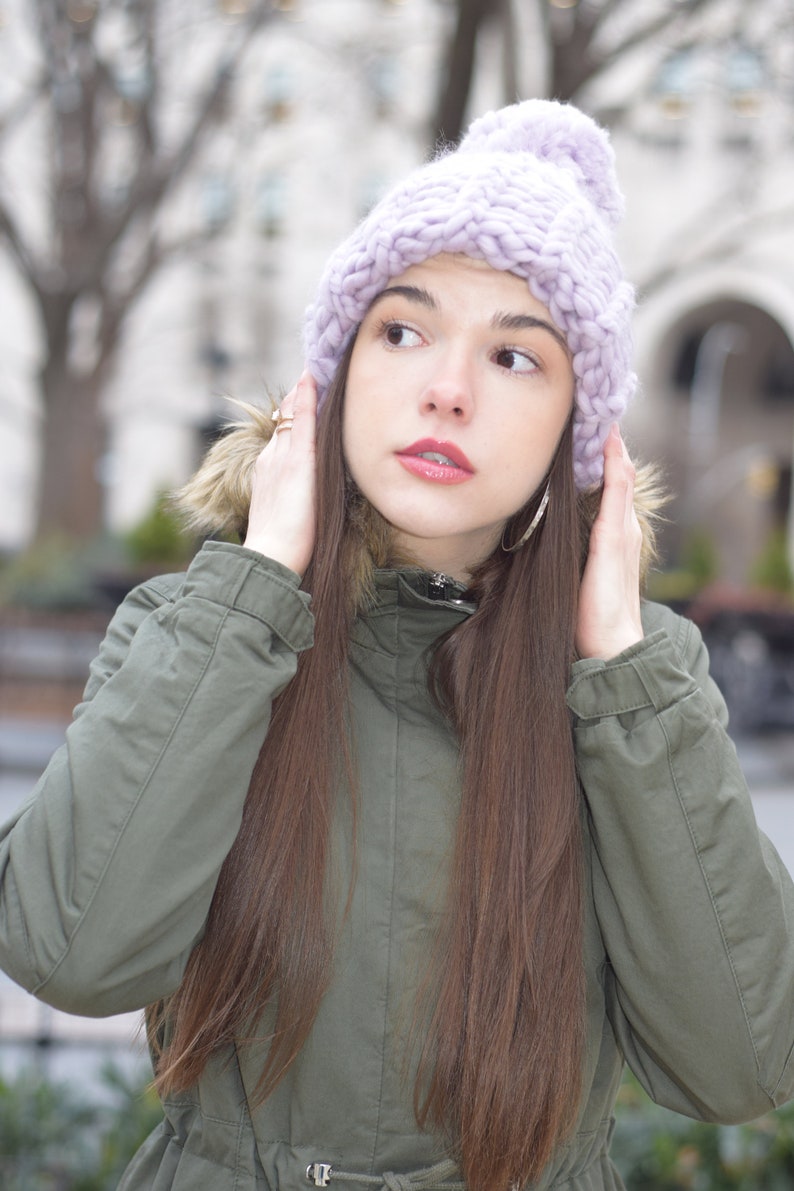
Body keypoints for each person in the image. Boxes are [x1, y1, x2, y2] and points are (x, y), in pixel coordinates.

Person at [1, 99, 793, 1191]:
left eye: (516, 357)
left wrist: (620, 666)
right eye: (402, 330)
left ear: (580, 433)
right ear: (332, 380)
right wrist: (253, 588)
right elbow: (72, 956)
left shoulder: (628, 694)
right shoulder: (208, 634)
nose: (446, 389)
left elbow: (740, 1066)